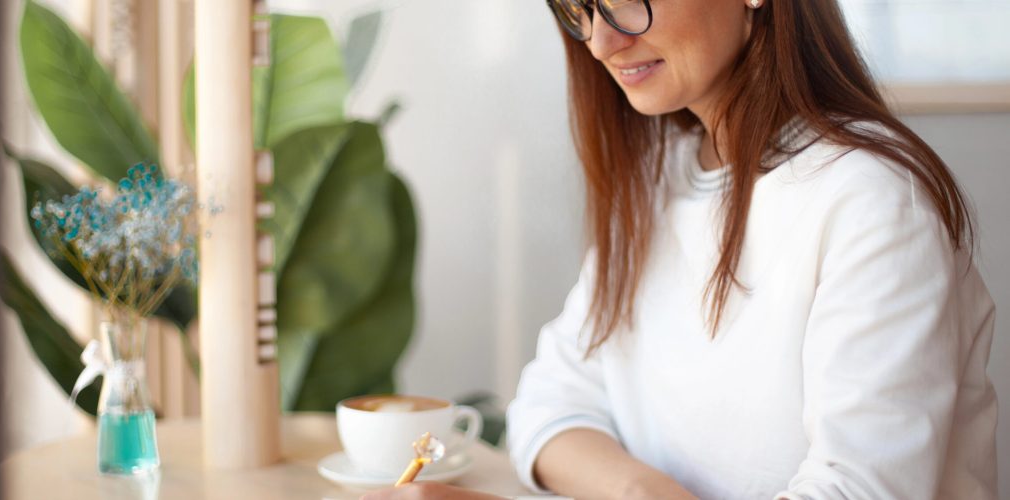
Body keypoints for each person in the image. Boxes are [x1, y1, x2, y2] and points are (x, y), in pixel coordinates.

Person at [364, 0, 997, 498]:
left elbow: (857, 490)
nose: (601, 41)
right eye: (580, 6)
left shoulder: (870, 201)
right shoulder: (656, 177)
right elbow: (548, 407)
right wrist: (643, 492)